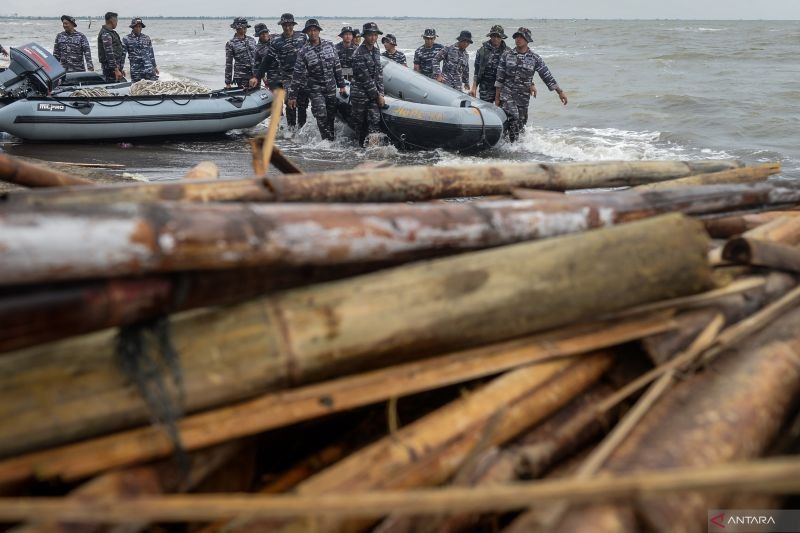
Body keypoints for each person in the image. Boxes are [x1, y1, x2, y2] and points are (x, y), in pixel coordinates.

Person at [495, 27, 568, 142]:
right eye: (516, 37)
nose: (518, 39)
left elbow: (547, 76)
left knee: (521, 123)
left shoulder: (535, 58)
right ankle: (513, 148)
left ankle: (512, 147)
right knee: (514, 117)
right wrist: (497, 98)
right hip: (507, 95)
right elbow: (499, 78)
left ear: (527, 39)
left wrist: (560, 92)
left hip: (523, 97)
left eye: (521, 37)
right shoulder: (507, 55)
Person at [289, 19, 346, 141]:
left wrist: (341, 85)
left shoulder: (330, 45)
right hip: (315, 88)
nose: (313, 33)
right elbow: (297, 74)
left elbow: (337, 66)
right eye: (310, 31)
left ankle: (331, 140)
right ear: (307, 33)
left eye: (315, 30)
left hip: (331, 86)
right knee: (321, 114)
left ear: (319, 31)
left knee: (330, 116)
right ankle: (326, 142)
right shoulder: (303, 51)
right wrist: (292, 96)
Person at [251, 13, 308, 131]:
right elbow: (267, 60)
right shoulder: (276, 41)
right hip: (286, 77)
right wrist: (257, 76)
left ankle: (302, 130)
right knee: (289, 102)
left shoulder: (302, 37)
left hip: (303, 76)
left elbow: (310, 53)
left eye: (289, 25)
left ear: (293, 24)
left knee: (302, 105)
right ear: (281, 26)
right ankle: (291, 130)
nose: (287, 28)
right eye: (284, 25)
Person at [350, 22, 385, 147]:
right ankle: (359, 152)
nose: (373, 38)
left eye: (375, 35)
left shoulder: (376, 51)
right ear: (364, 36)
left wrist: (381, 93)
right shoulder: (358, 54)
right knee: (360, 125)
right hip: (360, 95)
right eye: (370, 35)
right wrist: (377, 95)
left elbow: (379, 74)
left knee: (374, 122)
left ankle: (372, 151)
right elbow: (365, 79)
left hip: (373, 94)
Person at [470, 25, 508, 103]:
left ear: (502, 37)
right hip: (485, 87)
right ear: (490, 36)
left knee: (502, 112)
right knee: (485, 111)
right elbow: (477, 71)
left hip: (502, 88)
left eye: (498, 36)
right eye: (494, 36)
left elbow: (514, 70)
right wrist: (474, 88)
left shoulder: (508, 52)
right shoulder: (482, 51)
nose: (496, 39)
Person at [224, 17, 256, 89]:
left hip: (255, 75)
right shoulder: (230, 43)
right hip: (242, 76)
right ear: (237, 28)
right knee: (246, 97)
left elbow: (257, 58)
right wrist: (228, 82)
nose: (244, 29)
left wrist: (262, 74)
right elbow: (229, 63)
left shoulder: (252, 40)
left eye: (245, 27)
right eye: (242, 27)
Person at [123, 18, 158, 82]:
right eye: (136, 26)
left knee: (152, 88)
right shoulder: (126, 39)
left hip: (149, 69)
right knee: (137, 89)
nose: (138, 28)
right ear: (132, 27)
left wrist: (154, 66)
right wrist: (120, 69)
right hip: (136, 71)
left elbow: (151, 53)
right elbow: (123, 55)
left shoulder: (146, 38)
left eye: (140, 26)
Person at [97, 12, 126, 81]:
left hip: (115, 68)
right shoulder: (105, 33)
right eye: (116, 21)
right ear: (112, 21)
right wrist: (116, 70)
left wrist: (120, 69)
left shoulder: (112, 33)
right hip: (110, 69)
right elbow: (109, 53)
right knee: (111, 84)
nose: (116, 23)